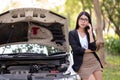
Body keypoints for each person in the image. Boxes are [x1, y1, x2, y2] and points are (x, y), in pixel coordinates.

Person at [69, 11, 103, 80]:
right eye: (81, 19)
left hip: (93, 61)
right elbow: (76, 50)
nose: (83, 21)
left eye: (86, 20)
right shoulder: (72, 33)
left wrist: (90, 32)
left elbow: (93, 47)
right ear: (78, 20)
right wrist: (89, 50)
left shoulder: (89, 33)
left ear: (88, 22)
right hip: (81, 63)